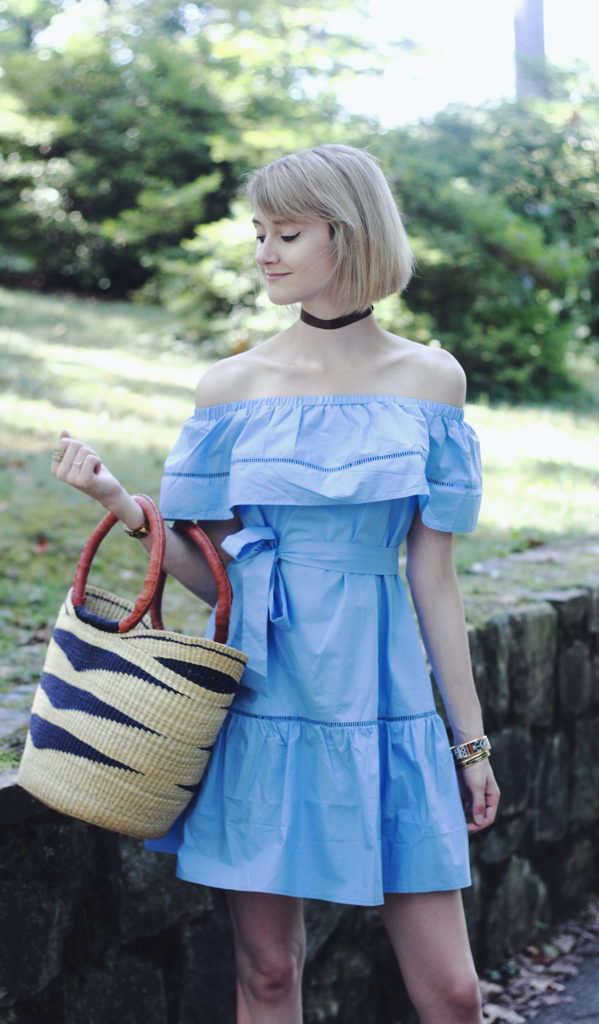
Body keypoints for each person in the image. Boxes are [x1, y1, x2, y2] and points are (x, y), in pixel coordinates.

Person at [51, 144, 500, 1024]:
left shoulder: (430, 380)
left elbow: (433, 577)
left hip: (383, 696)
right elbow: (207, 578)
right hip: (260, 695)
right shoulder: (231, 388)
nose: (265, 251)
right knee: (265, 975)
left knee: (452, 994)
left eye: (287, 233)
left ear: (351, 232)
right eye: (259, 232)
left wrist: (470, 741)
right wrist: (120, 502)